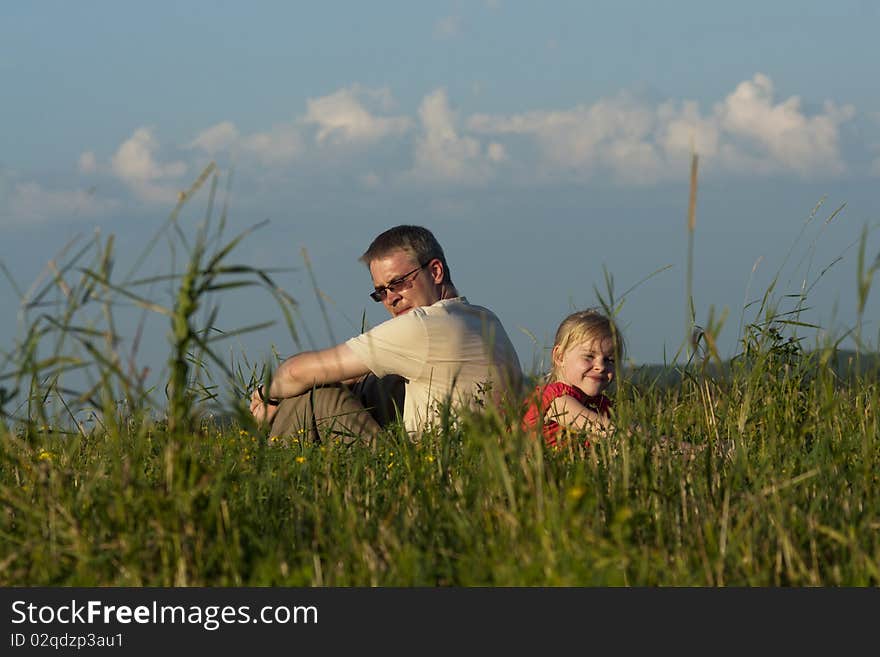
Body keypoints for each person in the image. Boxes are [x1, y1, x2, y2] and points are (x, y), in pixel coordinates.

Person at [250, 224, 523, 442]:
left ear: (436, 271)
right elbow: (354, 373)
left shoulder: (422, 326)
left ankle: (276, 478)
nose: (391, 298)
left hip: (431, 476)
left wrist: (268, 396)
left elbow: (295, 372)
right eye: (381, 292)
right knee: (371, 381)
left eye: (399, 283)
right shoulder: (484, 318)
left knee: (314, 398)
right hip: (479, 463)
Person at [521, 309, 622, 448]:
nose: (601, 366)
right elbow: (609, 431)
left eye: (609, 360)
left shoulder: (598, 405)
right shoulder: (556, 400)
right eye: (589, 357)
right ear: (559, 357)